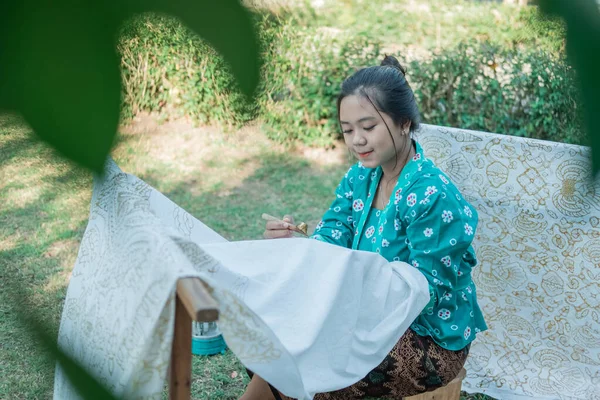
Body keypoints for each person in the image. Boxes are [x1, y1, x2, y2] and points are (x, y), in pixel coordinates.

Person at [241, 55, 488, 400]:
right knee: (271, 334)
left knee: (312, 356)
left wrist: (348, 300)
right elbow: (332, 236)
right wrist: (295, 246)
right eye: (347, 130)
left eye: (368, 127)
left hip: (427, 338)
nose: (357, 140)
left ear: (404, 122)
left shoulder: (431, 195)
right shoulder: (361, 177)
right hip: (365, 314)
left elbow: (425, 296)